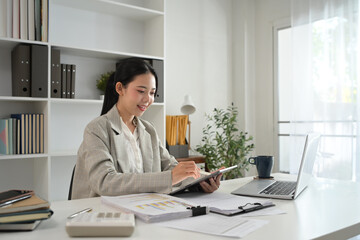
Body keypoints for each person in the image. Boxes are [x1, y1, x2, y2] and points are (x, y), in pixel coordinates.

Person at [71, 58, 221, 199]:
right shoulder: (96, 129)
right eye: (141, 91)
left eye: (152, 93)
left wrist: (201, 180)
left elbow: (170, 166)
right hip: (102, 214)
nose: (148, 99)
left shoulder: (148, 130)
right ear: (120, 88)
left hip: (143, 207)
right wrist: (170, 177)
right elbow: (105, 182)